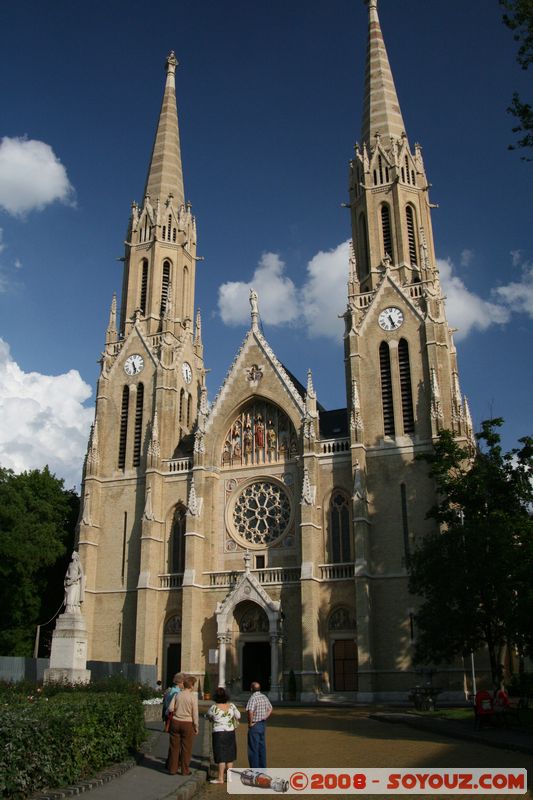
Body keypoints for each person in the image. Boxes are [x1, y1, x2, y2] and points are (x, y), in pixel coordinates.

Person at [206, 687, 241, 784]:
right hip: (230, 732)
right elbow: (238, 716)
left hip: (218, 732)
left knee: (220, 755)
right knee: (230, 755)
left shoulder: (214, 707)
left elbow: (208, 716)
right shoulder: (232, 706)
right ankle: (229, 778)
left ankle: (220, 778)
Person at [167, 675, 199, 775]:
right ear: (191, 686)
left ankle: (172, 769)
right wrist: (196, 726)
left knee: (174, 747)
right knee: (186, 748)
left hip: (176, 722)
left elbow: (170, 708)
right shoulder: (192, 697)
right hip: (187, 723)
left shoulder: (177, 695)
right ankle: (185, 770)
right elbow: (195, 713)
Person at [246, 681, 272, 768]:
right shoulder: (264, 697)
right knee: (262, 748)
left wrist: (250, 723)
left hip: (255, 725)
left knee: (253, 749)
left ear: (251, 689)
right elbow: (270, 708)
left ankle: (255, 771)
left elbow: (250, 711)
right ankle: (263, 769)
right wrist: (264, 717)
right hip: (262, 724)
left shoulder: (253, 698)